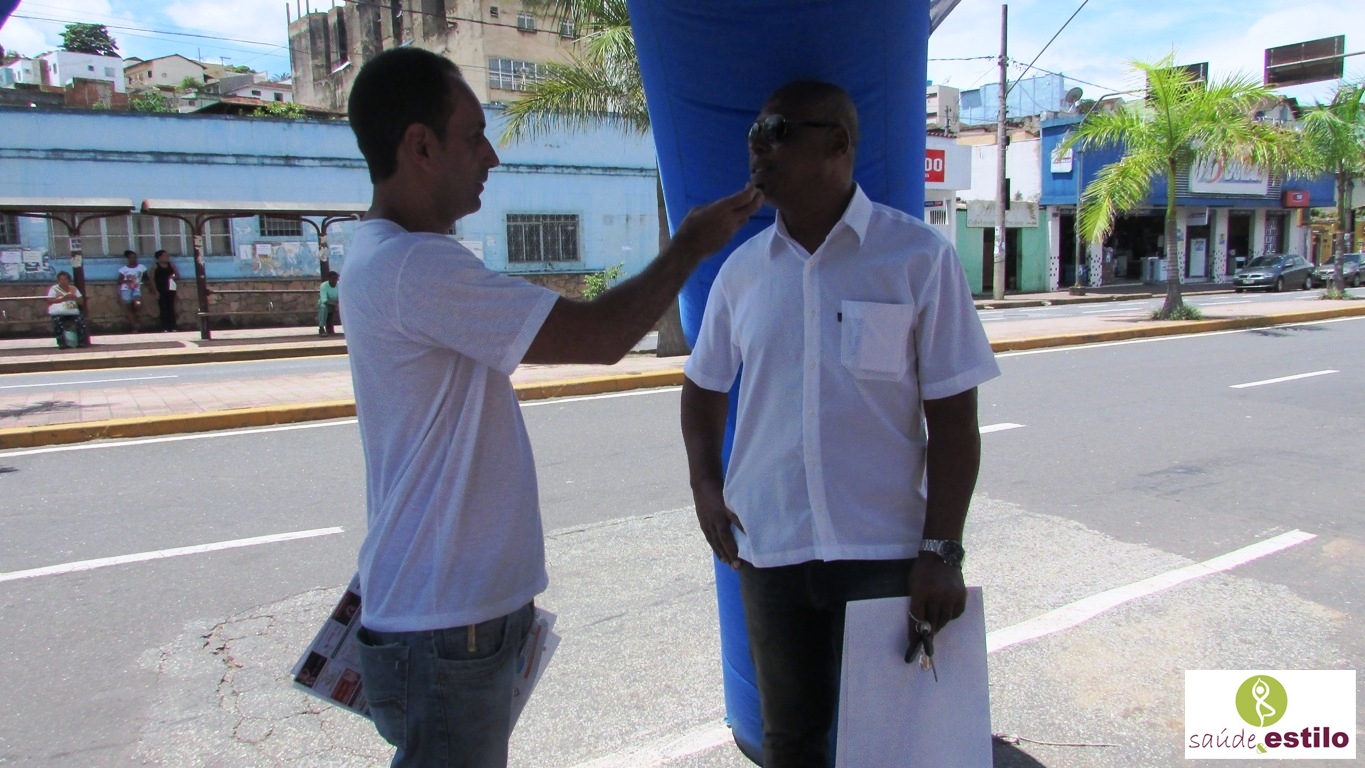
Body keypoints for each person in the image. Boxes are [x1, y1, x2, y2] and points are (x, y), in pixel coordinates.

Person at [341, 47, 761, 768]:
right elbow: (599, 336)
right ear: (420, 146)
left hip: (443, 614)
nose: (491, 155)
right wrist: (688, 246)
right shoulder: (413, 265)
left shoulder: (384, 254)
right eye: (474, 135)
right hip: (446, 621)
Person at [680, 81, 1001, 768]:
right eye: (753, 132)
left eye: (775, 130)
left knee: (887, 745)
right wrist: (705, 485)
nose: (756, 146)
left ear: (837, 144)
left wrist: (942, 549)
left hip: (883, 554)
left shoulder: (917, 258)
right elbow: (702, 386)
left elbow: (954, 418)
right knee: (790, 742)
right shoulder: (742, 272)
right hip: (770, 551)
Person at [46, 270, 89, 348]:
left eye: (65, 279)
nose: (63, 281)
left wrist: (75, 298)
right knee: (57, 322)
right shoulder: (54, 289)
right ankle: (61, 343)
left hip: (72, 312)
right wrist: (63, 299)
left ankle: (81, 342)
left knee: (80, 321)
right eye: (61, 279)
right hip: (59, 312)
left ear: (68, 280)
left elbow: (81, 301)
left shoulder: (73, 289)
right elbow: (50, 300)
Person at [117, 250, 149, 332]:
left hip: (136, 289)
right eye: (131, 257)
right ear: (128, 258)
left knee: (137, 304)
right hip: (126, 290)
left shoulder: (141, 267)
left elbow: (146, 278)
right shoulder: (123, 269)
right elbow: (119, 281)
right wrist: (127, 281)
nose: (134, 259)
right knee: (129, 309)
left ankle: (136, 317)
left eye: (135, 257)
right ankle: (134, 326)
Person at [150, 249, 180, 332]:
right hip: (160, 289)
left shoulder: (171, 265)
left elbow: (178, 275)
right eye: (165, 256)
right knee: (163, 308)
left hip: (171, 289)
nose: (167, 257)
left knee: (171, 307)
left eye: (167, 256)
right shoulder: (155, 266)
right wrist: (155, 291)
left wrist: (173, 277)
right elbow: (152, 279)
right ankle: (165, 327)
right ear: (159, 257)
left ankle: (173, 326)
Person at [317, 270, 339, 335]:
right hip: (327, 305)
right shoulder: (323, 286)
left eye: (336, 278)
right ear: (329, 279)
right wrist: (335, 305)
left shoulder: (339, 285)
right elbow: (324, 300)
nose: (335, 280)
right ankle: (321, 328)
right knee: (323, 307)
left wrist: (339, 305)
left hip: (336, 304)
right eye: (333, 278)